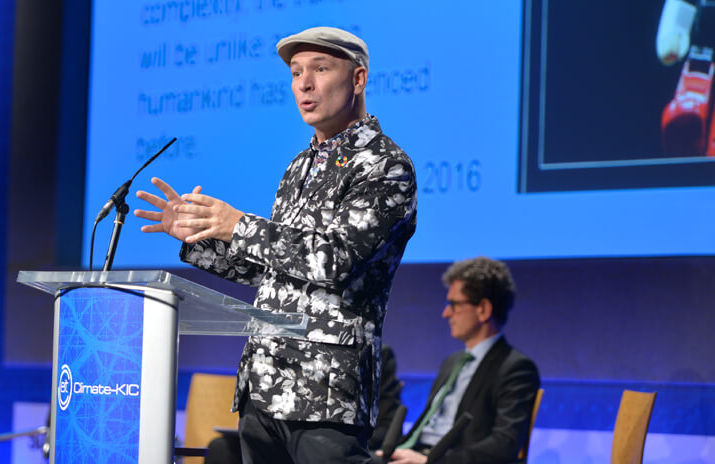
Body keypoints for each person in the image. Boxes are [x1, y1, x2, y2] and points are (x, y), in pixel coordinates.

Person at [134, 26, 417, 463]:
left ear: (358, 79)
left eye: (320, 69)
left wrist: (238, 225)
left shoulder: (385, 166)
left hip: (324, 392)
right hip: (263, 385)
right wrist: (200, 237)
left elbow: (333, 261)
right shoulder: (298, 166)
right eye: (296, 72)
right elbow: (274, 272)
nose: (304, 84)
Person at [379, 256, 539, 464]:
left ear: (483, 309)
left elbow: (505, 444)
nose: (446, 313)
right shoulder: (452, 362)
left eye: (454, 304)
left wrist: (430, 462)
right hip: (412, 452)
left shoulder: (516, 368)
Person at [204, 344, 403, 464]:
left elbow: (385, 424)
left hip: (333, 432)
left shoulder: (372, 354)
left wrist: (360, 442)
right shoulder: (277, 350)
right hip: (271, 419)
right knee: (222, 447)